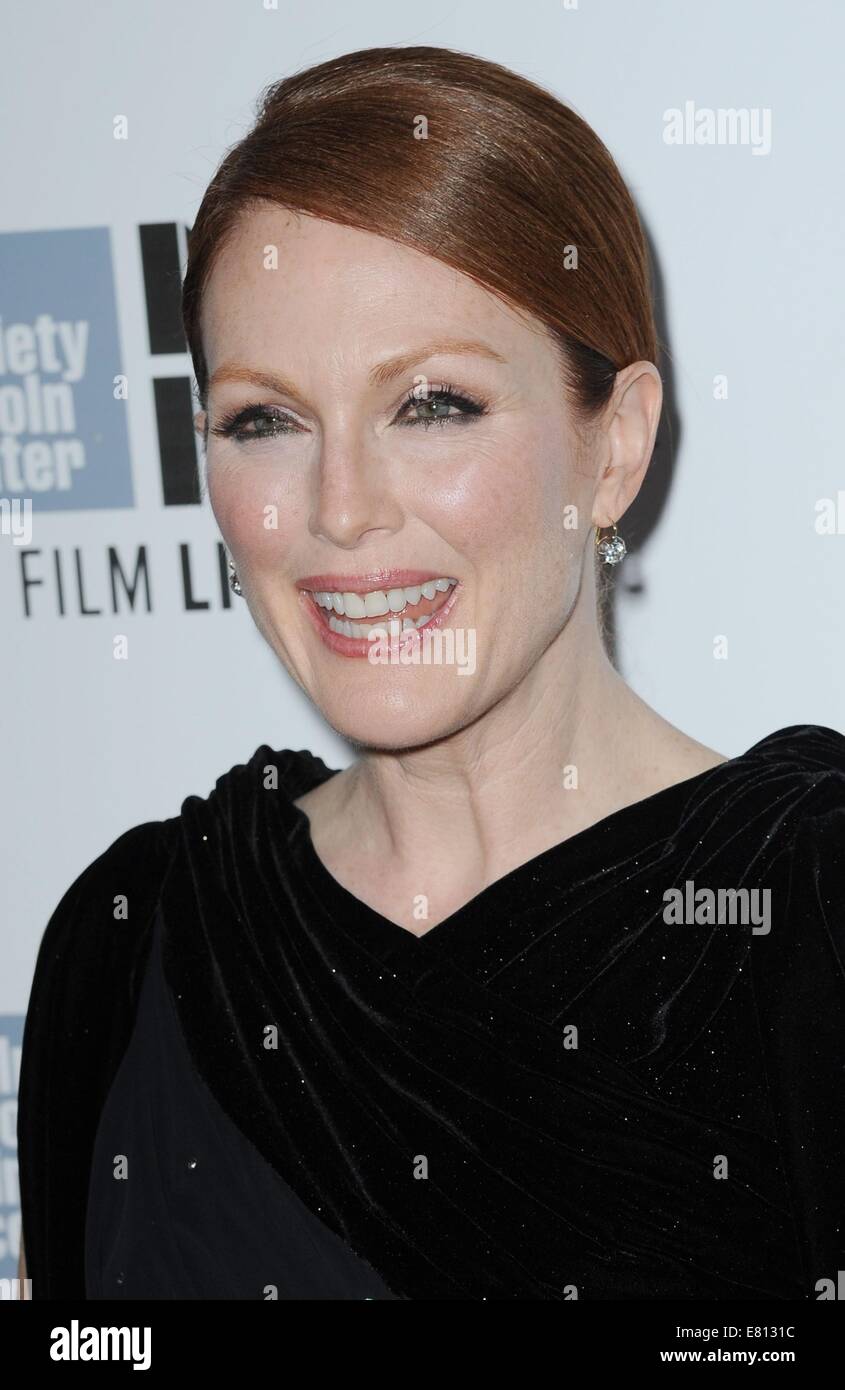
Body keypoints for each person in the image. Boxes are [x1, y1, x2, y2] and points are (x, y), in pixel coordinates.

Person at [17, 45, 845, 1300]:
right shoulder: (139, 939)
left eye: (433, 405)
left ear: (612, 447)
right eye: (265, 420)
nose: (339, 510)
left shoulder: (804, 906)